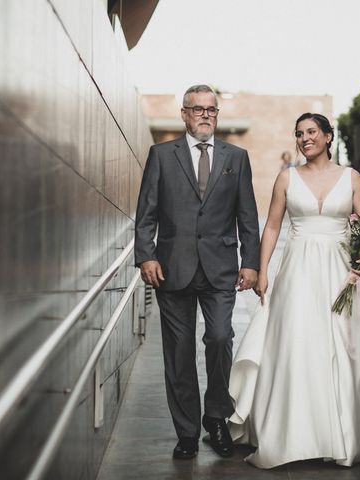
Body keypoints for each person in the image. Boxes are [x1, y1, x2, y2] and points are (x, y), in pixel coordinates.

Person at [228, 113, 360, 468]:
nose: (304, 138)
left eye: (311, 132)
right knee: (297, 344)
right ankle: (293, 433)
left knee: (346, 346)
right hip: (297, 273)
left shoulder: (351, 178)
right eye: (299, 133)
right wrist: (263, 271)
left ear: (328, 137)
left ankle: (349, 432)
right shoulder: (286, 179)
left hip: (339, 273)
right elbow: (271, 228)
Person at [134, 84, 260, 460]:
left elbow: (248, 216)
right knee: (179, 353)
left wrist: (250, 262)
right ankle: (186, 431)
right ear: (185, 114)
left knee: (220, 339)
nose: (206, 115)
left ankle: (216, 417)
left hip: (220, 269)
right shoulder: (161, 154)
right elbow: (147, 213)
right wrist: (146, 256)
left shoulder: (236, 157)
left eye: (212, 110)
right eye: (198, 109)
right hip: (172, 269)